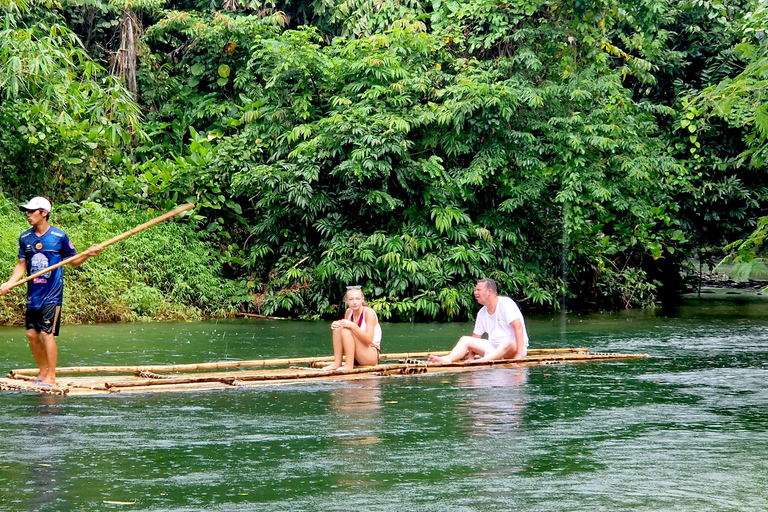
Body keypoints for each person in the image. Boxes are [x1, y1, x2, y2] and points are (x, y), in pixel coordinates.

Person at [0, 197, 102, 387]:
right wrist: (10, 283)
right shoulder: (25, 237)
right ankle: (43, 371)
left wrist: (88, 254)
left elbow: (73, 261)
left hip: (52, 295)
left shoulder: (59, 236)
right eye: (28, 212)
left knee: (47, 334)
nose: (28, 215)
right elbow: (21, 265)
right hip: (33, 295)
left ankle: (51, 377)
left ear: (44, 213)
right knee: (32, 334)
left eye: (32, 211)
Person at [429, 278, 528, 364]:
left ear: (489, 292)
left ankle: (480, 361)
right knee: (465, 339)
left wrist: (518, 355)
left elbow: (518, 327)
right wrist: (471, 358)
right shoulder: (482, 312)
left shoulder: (506, 303)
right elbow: (476, 337)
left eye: (479, 290)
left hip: (514, 348)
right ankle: (447, 359)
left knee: (507, 343)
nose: (475, 293)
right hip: (494, 349)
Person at [324, 286, 382, 371]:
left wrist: (353, 326)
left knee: (346, 330)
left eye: (357, 299)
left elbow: (369, 339)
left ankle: (348, 365)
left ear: (362, 299)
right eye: (351, 299)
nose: (354, 302)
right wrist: (336, 324)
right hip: (356, 355)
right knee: (338, 328)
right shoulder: (348, 312)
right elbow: (344, 335)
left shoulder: (368, 312)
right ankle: (337, 363)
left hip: (370, 354)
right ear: (346, 301)